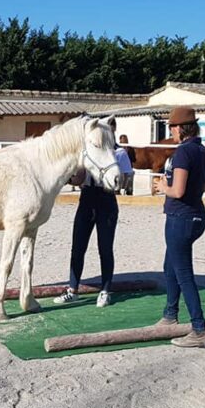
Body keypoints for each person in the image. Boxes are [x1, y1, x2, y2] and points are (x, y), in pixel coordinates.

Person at [55, 119, 133, 308]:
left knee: (105, 248)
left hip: (106, 199)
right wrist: (68, 178)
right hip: (87, 198)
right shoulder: (90, 151)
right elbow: (79, 179)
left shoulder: (119, 153)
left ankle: (105, 290)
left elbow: (124, 180)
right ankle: (72, 289)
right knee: (77, 246)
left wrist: (117, 178)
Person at [153, 106, 205, 348]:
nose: (171, 132)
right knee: (170, 266)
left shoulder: (182, 153)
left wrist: (161, 187)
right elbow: (202, 188)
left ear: (179, 128)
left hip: (181, 218)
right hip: (197, 214)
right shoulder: (203, 151)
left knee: (184, 273)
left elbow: (177, 190)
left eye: (171, 127)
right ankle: (170, 314)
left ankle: (199, 329)